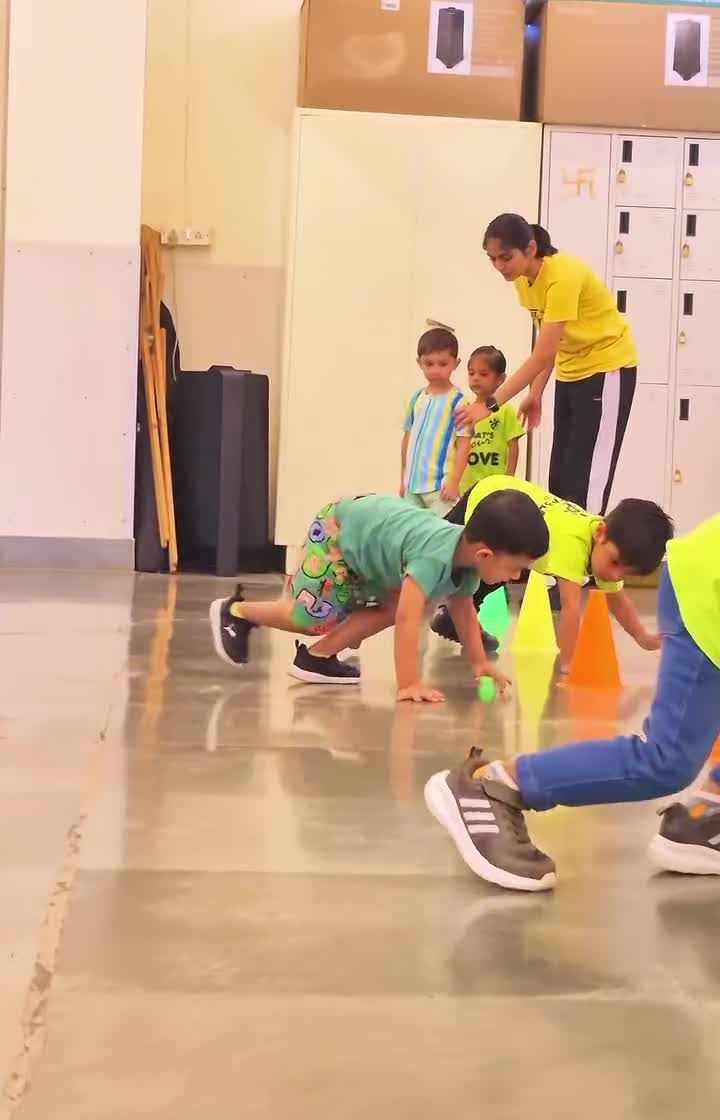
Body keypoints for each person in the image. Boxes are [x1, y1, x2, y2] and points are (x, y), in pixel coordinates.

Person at [424, 514, 720, 891]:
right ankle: (492, 786)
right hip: (708, 589)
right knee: (666, 760)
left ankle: (708, 816)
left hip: (702, 570)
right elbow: (572, 608)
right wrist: (568, 663)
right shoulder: (572, 552)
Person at [209, 489, 549, 699]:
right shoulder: (434, 557)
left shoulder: (468, 564)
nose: (515, 577)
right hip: (338, 531)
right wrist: (409, 683)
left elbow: (463, 610)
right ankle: (236, 611)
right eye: (515, 568)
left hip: (370, 549)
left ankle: (317, 658)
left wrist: (480, 663)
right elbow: (408, 618)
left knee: (393, 605)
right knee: (312, 617)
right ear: (485, 554)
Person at [455, 213, 638, 515]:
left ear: (529, 249)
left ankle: (588, 543)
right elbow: (550, 346)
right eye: (492, 259)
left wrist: (490, 404)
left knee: (587, 481)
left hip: (607, 369)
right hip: (571, 372)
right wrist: (535, 392)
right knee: (561, 478)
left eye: (505, 257)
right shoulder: (523, 281)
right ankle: (562, 540)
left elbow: (541, 354)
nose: (499, 266)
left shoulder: (563, 276)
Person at [430, 476, 673, 673]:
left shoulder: (606, 547)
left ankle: (455, 618)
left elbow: (618, 600)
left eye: (625, 574)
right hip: (491, 496)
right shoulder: (574, 544)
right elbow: (570, 609)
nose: (614, 575)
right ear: (600, 533)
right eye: (615, 563)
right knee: (440, 554)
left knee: (498, 570)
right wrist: (569, 665)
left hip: (510, 507)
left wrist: (643, 637)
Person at [401, 327, 471, 516]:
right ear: (419, 363)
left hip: (440, 487)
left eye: (443, 364)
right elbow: (407, 438)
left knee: (442, 529)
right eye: (429, 364)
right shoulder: (417, 398)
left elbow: (465, 444)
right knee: (411, 530)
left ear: (455, 363)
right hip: (412, 486)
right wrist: (403, 478)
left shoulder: (459, 402)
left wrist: (454, 481)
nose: (435, 370)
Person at [459, 346, 525, 494]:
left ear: (500, 379)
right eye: (471, 373)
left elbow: (513, 447)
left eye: (483, 374)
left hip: (495, 485)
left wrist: (509, 479)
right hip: (466, 486)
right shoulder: (465, 410)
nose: (476, 378)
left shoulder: (505, 411)